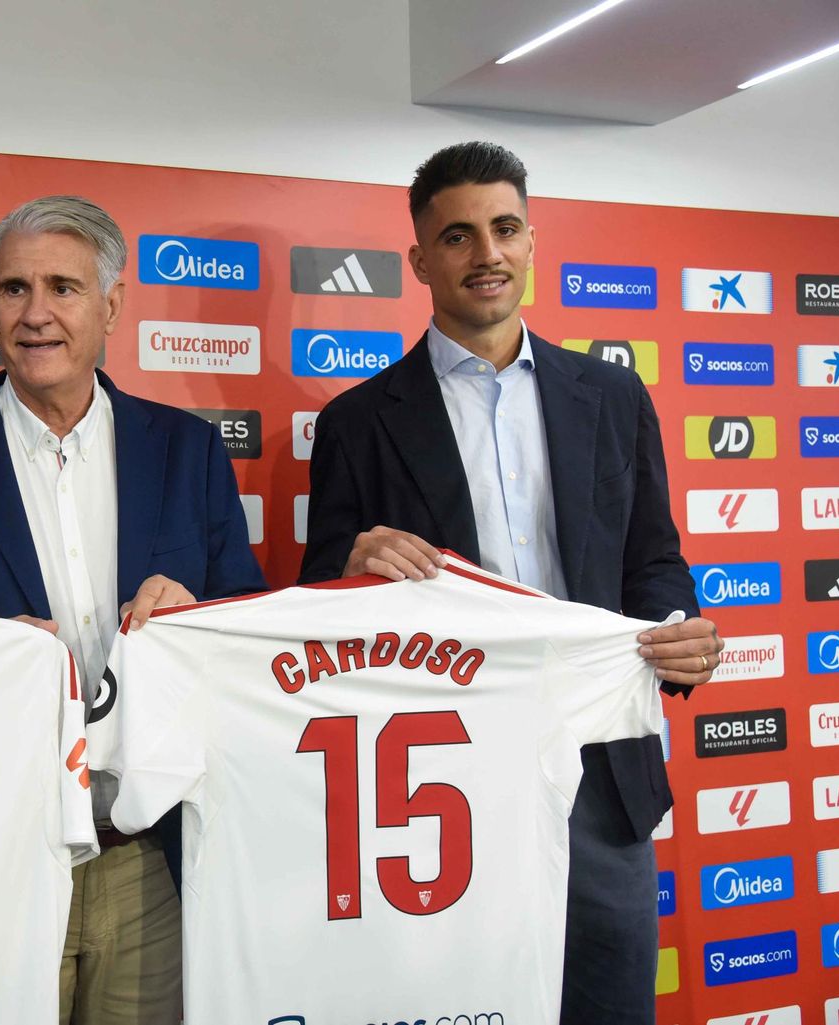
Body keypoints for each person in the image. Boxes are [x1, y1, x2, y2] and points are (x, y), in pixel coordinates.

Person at [298, 141, 722, 1025]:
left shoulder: (613, 396)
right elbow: (315, 608)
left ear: (532, 242)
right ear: (419, 260)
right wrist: (350, 572)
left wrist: (678, 630)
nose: (485, 253)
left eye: (503, 229)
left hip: (603, 777)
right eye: (457, 236)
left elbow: (651, 558)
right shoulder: (357, 424)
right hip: (438, 791)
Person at [0, 195, 266, 1024]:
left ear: (111, 305)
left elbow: (248, 634)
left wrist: (196, 618)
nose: (35, 314)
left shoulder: (188, 451)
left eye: (63, 288)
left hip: (153, 862)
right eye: (13, 289)